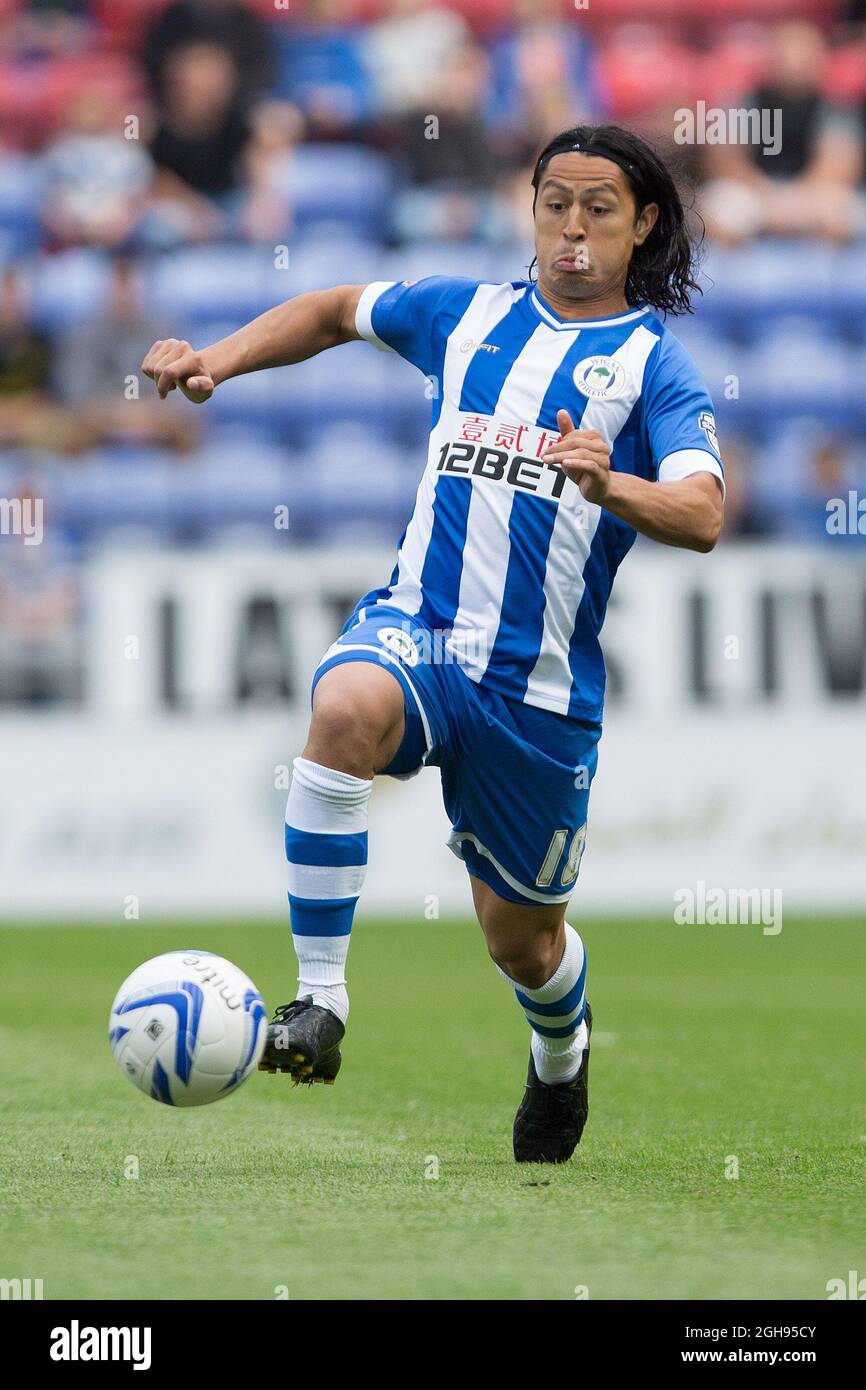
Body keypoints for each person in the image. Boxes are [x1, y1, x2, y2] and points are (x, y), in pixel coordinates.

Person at [141, 123, 725, 1164]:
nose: (572, 229)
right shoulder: (466, 315)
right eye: (555, 203)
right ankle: (319, 1000)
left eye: (599, 208)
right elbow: (330, 309)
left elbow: (701, 513)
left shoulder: (654, 369)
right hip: (420, 628)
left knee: (523, 940)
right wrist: (214, 362)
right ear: (530, 209)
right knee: (343, 706)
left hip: (536, 690)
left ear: (640, 225)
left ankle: (560, 1052)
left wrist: (611, 485)